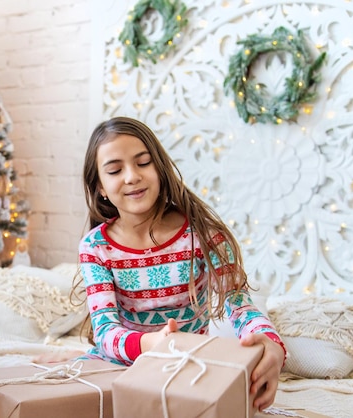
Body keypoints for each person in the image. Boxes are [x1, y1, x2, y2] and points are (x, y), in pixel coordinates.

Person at [76, 116, 286, 411]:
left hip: (189, 368)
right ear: (100, 187)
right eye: (114, 170)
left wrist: (271, 342)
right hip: (116, 367)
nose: (131, 176)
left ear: (159, 168)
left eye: (143, 162)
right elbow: (105, 332)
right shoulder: (95, 247)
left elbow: (239, 304)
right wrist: (151, 344)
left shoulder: (203, 235)